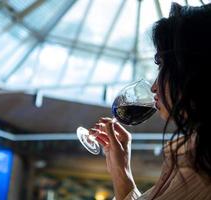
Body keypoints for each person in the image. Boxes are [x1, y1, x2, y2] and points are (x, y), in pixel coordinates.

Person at [89, 2, 211, 200]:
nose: (154, 86)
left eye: (161, 65)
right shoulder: (194, 150)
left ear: (192, 70)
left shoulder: (202, 164)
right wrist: (121, 170)